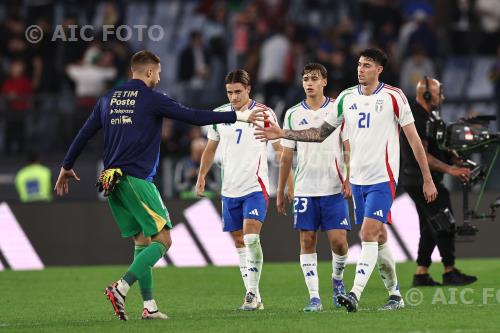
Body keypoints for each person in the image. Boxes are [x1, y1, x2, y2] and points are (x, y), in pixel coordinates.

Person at [54, 51, 263, 321]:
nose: (160, 77)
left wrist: (66, 166)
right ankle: (121, 287)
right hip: (136, 179)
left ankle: (149, 307)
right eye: (159, 72)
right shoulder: (152, 98)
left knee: (143, 241)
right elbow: (192, 116)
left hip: (110, 180)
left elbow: (84, 132)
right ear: (150, 72)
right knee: (164, 239)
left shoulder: (107, 99)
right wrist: (236, 117)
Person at [255, 48, 438, 312]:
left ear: (379, 70)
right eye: (359, 64)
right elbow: (319, 133)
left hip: (383, 177)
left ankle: (354, 294)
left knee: (366, 233)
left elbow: (413, 139)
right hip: (360, 181)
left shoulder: (394, 97)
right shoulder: (345, 98)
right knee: (380, 235)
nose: (360, 69)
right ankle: (395, 294)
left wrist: (427, 177)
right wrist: (283, 132)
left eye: (366, 65)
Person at [196, 69, 292, 311]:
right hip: (229, 190)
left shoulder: (264, 113)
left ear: (248, 89)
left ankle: (250, 293)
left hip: (255, 187)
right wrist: (201, 176)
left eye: (238, 92)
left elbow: (280, 148)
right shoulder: (219, 115)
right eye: (229, 92)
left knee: (250, 237)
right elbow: (210, 148)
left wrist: (288, 181)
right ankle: (255, 296)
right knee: (239, 241)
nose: (234, 97)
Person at [278, 63, 351, 312]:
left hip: (333, 186)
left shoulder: (337, 109)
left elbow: (348, 147)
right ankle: (314, 298)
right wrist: (282, 189)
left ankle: (338, 281)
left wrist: (349, 177)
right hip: (305, 187)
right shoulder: (292, 114)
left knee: (339, 242)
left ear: (324, 82)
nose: (309, 83)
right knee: (307, 240)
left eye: (314, 78)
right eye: (305, 79)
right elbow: (286, 155)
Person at [401, 76, 477, 286]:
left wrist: (453, 157)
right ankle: (449, 270)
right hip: (420, 180)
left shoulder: (431, 116)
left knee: (430, 225)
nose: (442, 97)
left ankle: (421, 273)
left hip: (422, 179)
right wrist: (451, 169)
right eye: (438, 94)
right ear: (426, 95)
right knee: (444, 221)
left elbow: (441, 144)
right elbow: (423, 154)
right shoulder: (416, 116)